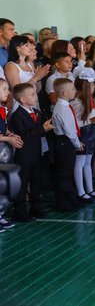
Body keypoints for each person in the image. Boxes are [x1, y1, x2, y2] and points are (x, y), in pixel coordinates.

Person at [9, 83, 52, 221]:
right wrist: (42, 129)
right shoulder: (17, 116)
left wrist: (46, 127)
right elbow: (24, 135)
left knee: (36, 183)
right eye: (32, 94)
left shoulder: (36, 112)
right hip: (24, 155)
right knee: (22, 184)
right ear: (23, 99)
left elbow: (39, 131)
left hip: (36, 153)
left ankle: (36, 208)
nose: (35, 96)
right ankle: (20, 212)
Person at [51, 78, 84, 211]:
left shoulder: (64, 106)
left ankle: (67, 201)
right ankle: (64, 202)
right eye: (72, 89)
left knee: (65, 172)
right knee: (64, 173)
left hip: (64, 141)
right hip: (64, 142)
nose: (74, 91)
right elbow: (70, 131)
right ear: (64, 93)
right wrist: (77, 143)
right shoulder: (63, 109)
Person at [71, 68, 95, 204]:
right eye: (93, 85)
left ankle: (90, 189)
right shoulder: (76, 102)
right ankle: (80, 191)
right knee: (80, 163)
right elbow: (74, 122)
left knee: (88, 162)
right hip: (82, 134)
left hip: (91, 133)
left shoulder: (89, 101)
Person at [0, 78, 22, 230]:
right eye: (5, 89)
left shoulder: (2, 110)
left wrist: (9, 133)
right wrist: (8, 138)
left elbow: (2, 128)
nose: (8, 92)